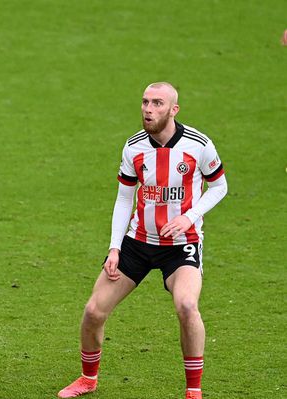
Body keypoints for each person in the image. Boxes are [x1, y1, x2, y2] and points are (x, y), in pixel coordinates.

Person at [57, 82, 228, 399]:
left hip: (182, 245)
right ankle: (87, 379)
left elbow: (220, 186)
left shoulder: (198, 145)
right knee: (94, 311)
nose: (148, 109)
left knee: (187, 306)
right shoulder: (133, 147)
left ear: (173, 110)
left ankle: (194, 390)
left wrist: (189, 217)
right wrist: (114, 247)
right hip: (137, 243)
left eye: (158, 103)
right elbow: (124, 200)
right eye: (145, 102)